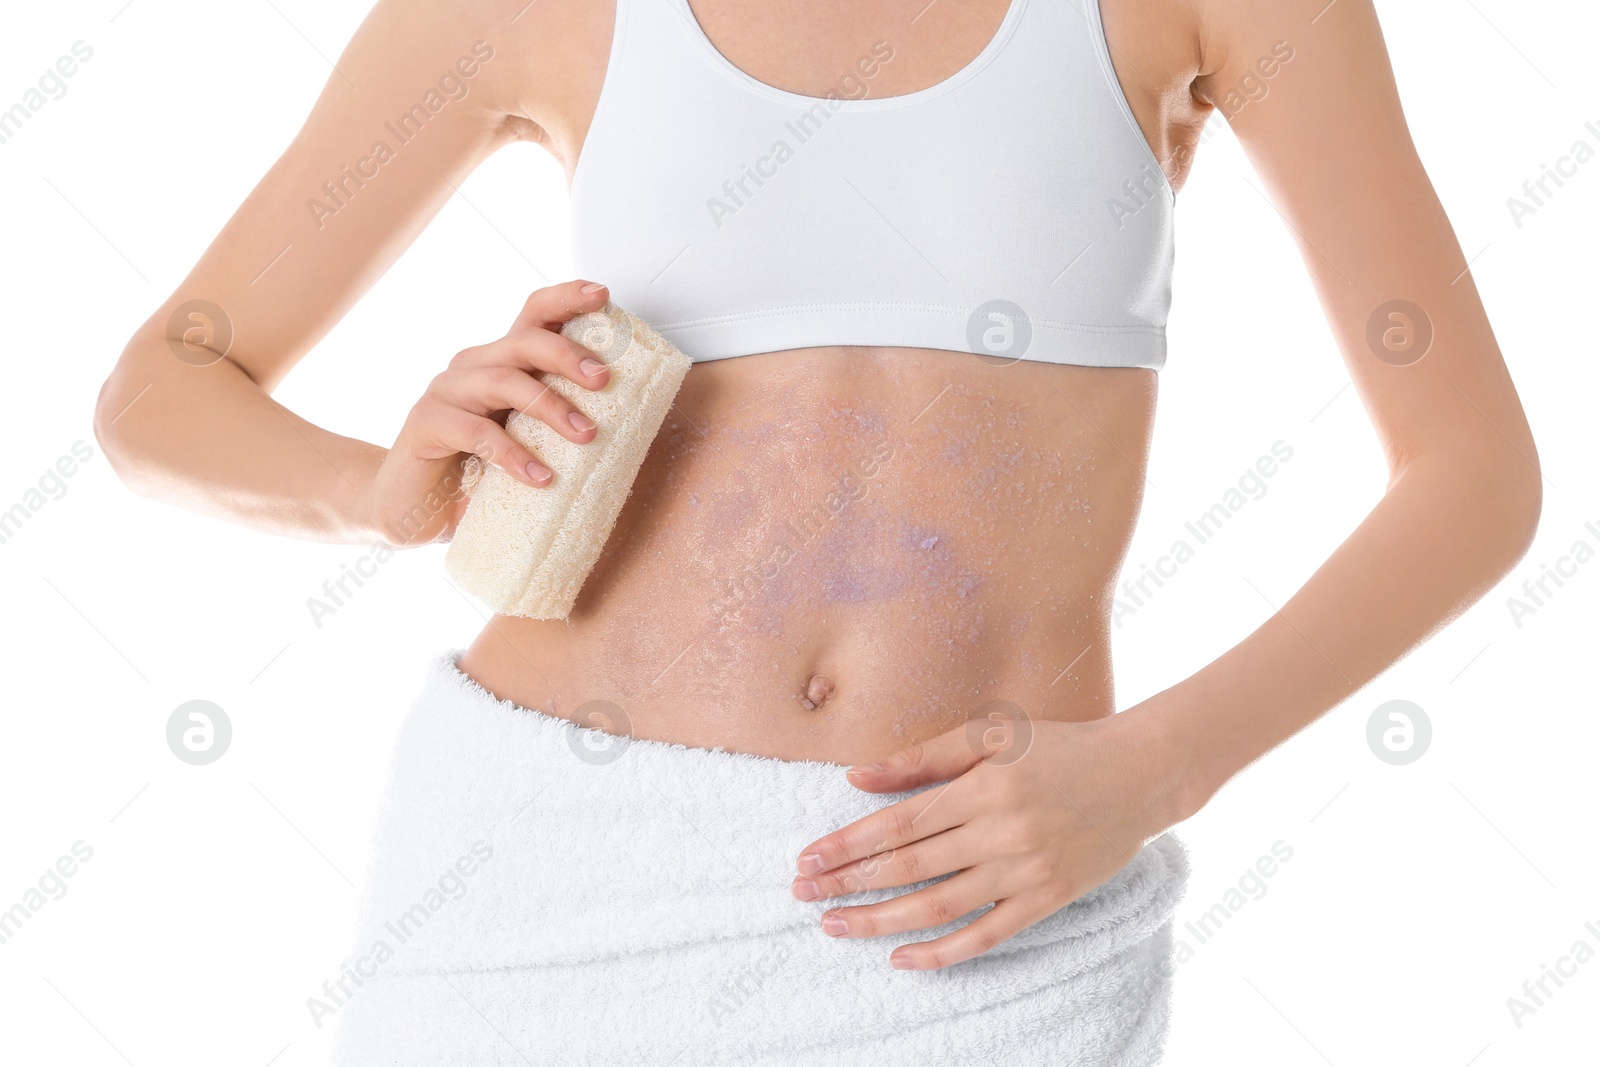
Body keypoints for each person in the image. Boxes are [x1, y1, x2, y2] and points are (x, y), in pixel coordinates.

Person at [93, 0, 1541, 1062]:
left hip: (978, 891)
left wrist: (1156, 771)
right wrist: (379, 487)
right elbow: (163, 389)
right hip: (555, 871)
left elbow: (1473, 474)